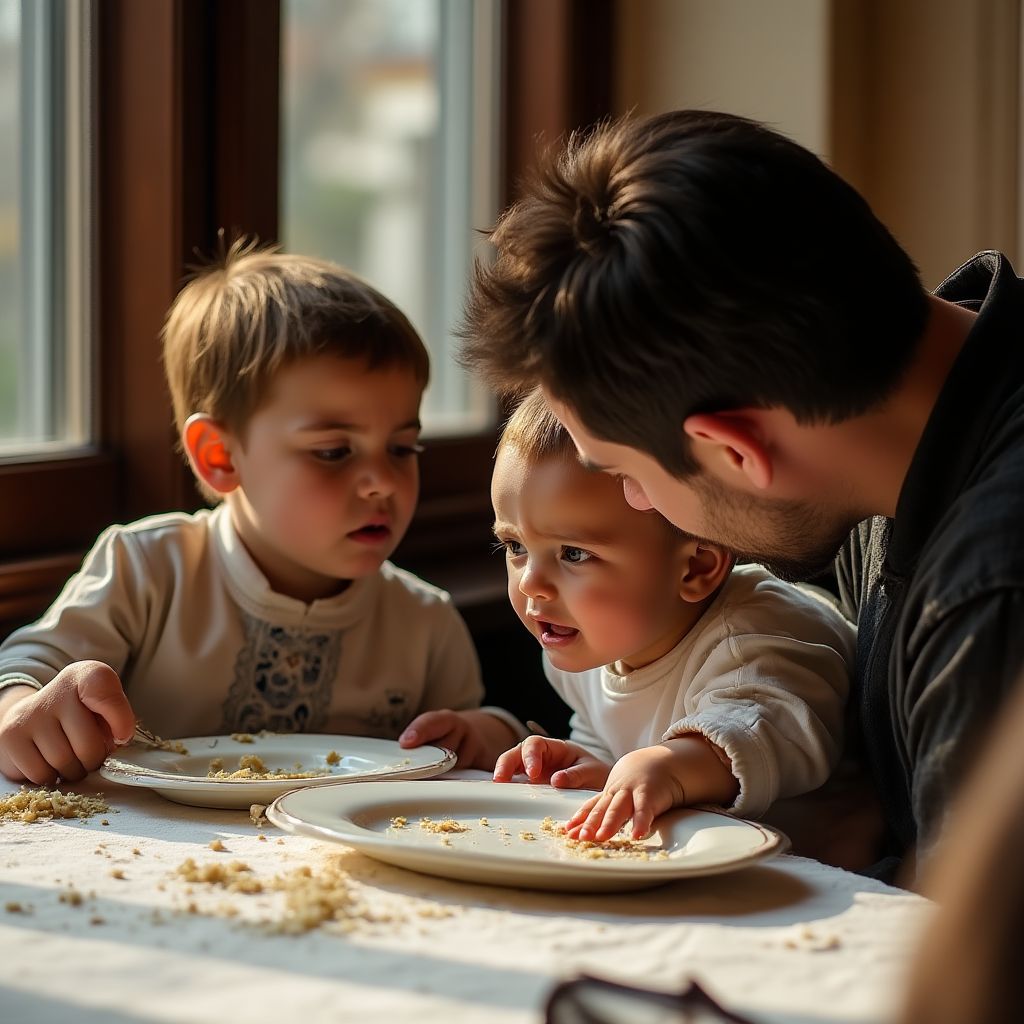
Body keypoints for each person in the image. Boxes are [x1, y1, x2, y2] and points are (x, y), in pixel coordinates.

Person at [460, 108, 1024, 873]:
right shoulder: (895, 455)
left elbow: (973, 947)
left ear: (733, 449)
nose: (636, 502)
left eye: (626, 476)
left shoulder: (992, 597)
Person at [0, 239, 521, 785]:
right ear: (220, 456)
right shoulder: (147, 570)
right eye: (334, 451)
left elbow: (470, 753)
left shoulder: (425, 624)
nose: (384, 482)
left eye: (402, 448)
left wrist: (487, 732)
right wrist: (23, 709)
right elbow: (26, 670)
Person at [489, 389, 854, 842]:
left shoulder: (755, 634)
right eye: (515, 547)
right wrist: (589, 768)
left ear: (695, 567)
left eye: (573, 553)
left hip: (832, 866)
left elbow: (772, 727)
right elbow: (612, 743)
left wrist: (669, 765)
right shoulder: (587, 649)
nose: (530, 583)